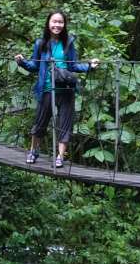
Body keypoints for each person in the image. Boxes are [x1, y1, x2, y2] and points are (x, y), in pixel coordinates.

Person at [15, 11, 100, 168]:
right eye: (54, 22)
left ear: (64, 24)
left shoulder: (68, 43)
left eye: (60, 22)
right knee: (40, 122)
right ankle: (34, 151)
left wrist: (89, 66)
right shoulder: (41, 44)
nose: (57, 25)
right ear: (48, 23)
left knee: (65, 123)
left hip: (66, 88)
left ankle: (60, 156)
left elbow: (73, 65)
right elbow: (35, 65)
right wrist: (22, 62)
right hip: (47, 88)